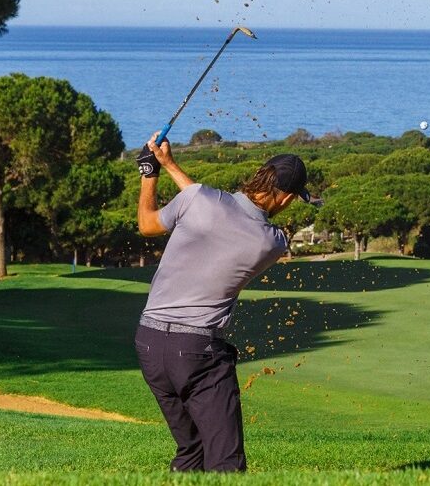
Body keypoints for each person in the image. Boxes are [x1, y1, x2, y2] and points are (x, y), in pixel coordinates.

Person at [133, 134, 312, 472]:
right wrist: (170, 166)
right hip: (197, 353)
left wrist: (151, 172)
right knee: (226, 462)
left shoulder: (198, 200)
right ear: (287, 198)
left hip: (149, 344)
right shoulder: (271, 243)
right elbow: (215, 212)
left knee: (192, 451)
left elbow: (151, 222)